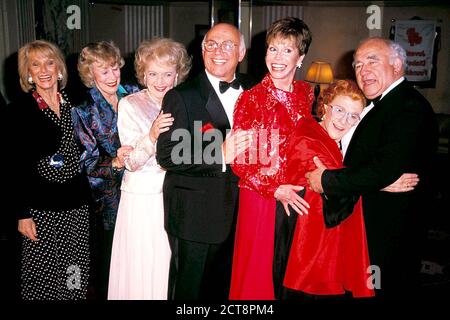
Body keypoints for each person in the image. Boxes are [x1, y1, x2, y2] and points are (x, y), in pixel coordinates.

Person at [306, 37, 439, 298]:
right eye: (357, 64)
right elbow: (372, 168)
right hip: (363, 225)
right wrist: (379, 180)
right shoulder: (377, 105)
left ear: (398, 65)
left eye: (372, 61)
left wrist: (327, 180)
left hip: (388, 232)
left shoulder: (408, 107)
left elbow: (381, 170)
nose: (362, 70)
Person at [156, 23, 255, 300]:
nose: (218, 51)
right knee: (190, 293)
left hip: (243, 213)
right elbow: (168, 154)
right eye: (211, 44)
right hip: (195, 218)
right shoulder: (180, 96)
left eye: (228, 45)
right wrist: (220, 153)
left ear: (242, 52)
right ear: (202, 50)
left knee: (225, 292)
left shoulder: (255, 89)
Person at [229, 17, 313, 300]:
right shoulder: (251, 99)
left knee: (291, 271)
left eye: (287, 50)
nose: (277, 58)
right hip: (261, 197)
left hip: (299, 194)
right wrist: (275, 189)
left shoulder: (307, 94)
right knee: (258, 274)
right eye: (272, 49)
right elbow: (239, 160)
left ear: (300, 57)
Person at [108, 38, 191, 300]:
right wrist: (152, 135)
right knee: (141, 268)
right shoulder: (130, 104)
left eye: (167, 73)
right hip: (143, 200)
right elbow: (130, 163)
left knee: (168, 267)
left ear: (178, 73)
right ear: (143, 74)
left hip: (175, 196)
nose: (160, 80)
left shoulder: (184, 102)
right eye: (153, 73)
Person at [12, 40, 91, 299]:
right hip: (40, 208)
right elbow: (12, 167)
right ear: (28, 73)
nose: (43, 70)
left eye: (49, 62)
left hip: (77, 204)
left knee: (75, 269)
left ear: (59, 68)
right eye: (35, 64)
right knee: (44, 275)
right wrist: (22, 213)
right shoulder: (18, 111)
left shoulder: (77, 103)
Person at [72, 41, 139, 299]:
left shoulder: (135, 92)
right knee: (111, 264)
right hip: (110, 199)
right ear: (91, 74)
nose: (112, 76)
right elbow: (87, 164)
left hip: (144, 189)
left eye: (115, 68)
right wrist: (115, 162)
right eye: (104, 71)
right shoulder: (84, 110)